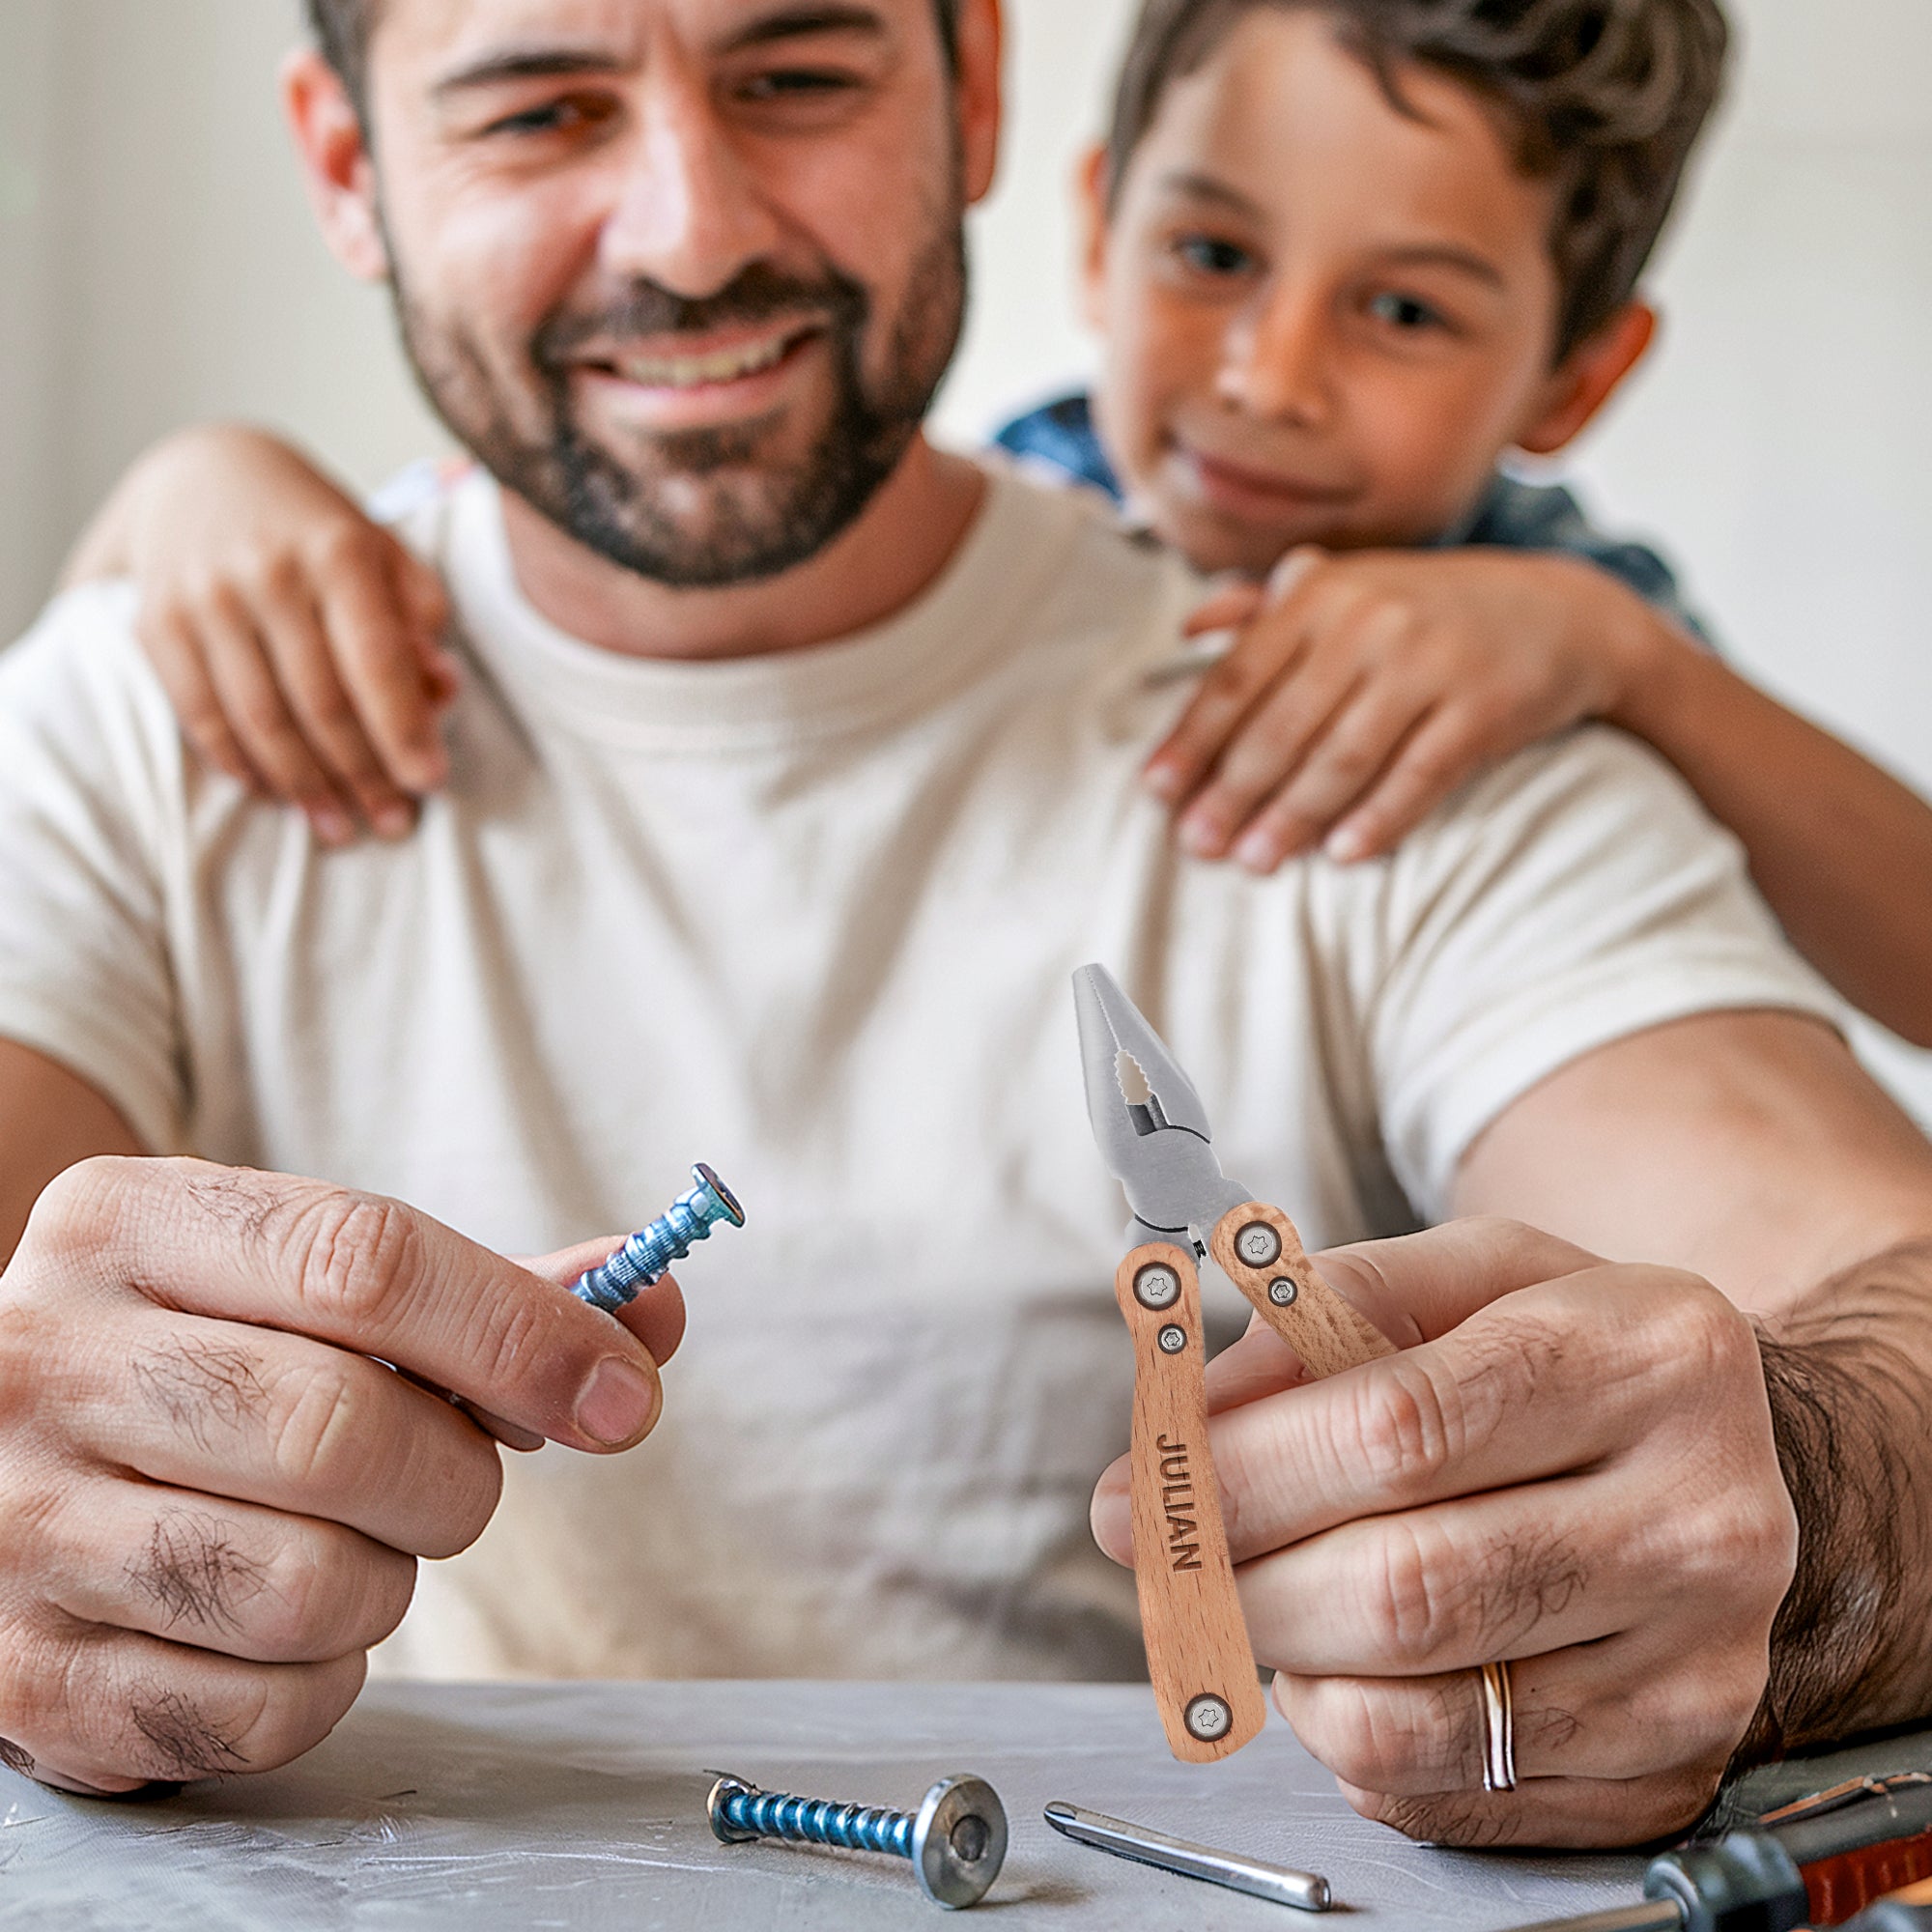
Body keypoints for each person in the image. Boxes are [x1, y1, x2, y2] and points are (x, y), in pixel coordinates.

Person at [3, 0, 1931, 1852]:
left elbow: (1886, 1292)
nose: (690, 233)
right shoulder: (147, 702)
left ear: (977, 86)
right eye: (538, 107)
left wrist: (1802, 1511)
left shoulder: (1386, 708)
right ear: (348, 164)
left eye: (796, 70)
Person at [62, 0, 1932, 1046]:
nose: (1266, 380)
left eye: (1405, 312)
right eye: (1210, 257)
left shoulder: (1558, 617)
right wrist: (175, 490)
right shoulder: (993, 497)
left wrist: (1623, 663)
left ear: (1575, 377)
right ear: (1097, 226)